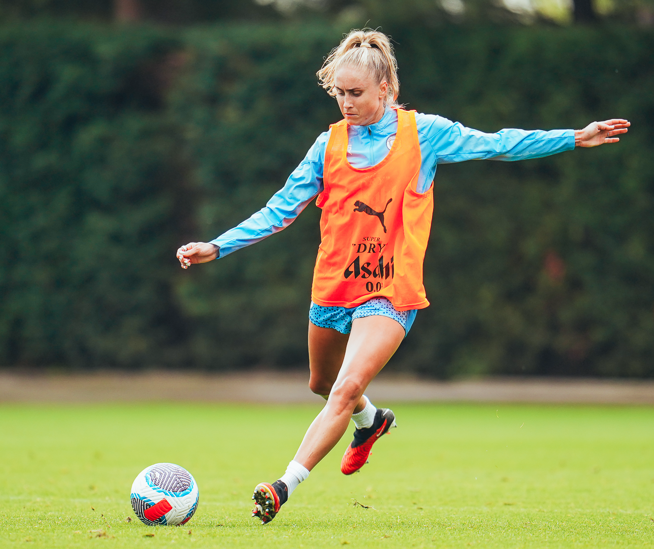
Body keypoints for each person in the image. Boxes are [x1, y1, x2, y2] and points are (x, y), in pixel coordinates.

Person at [176, 29, 629, 524]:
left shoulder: (425, 135)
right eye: (339, 94)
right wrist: (218, 245)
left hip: (390, 293)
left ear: (386, 87)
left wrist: (574, 136)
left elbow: (497, 144)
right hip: (333, 287)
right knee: (322, 383)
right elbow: (279, 211)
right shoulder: (327, 145)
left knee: (346, 386)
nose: (346, 103)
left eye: (356, 94)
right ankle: (371, 423)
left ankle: (284, 485)